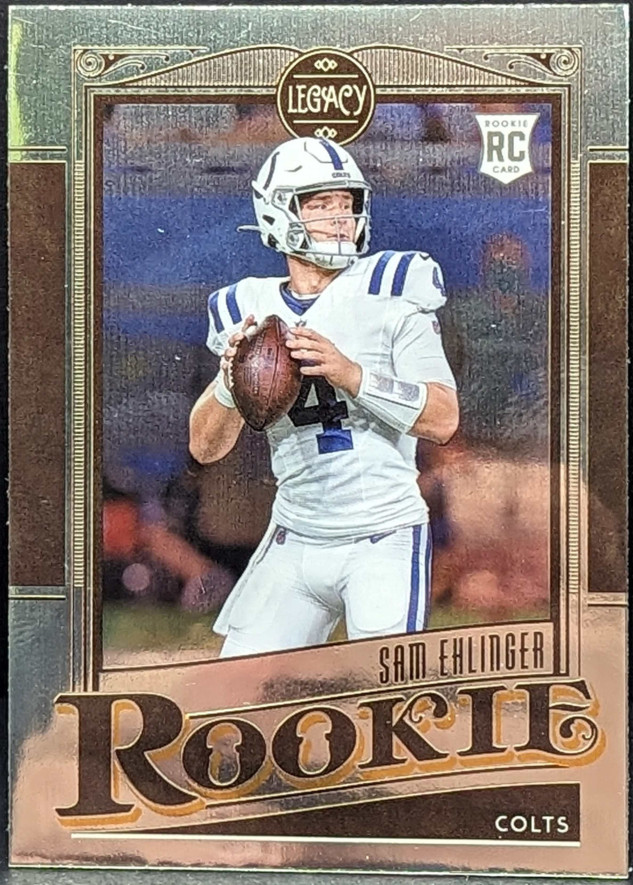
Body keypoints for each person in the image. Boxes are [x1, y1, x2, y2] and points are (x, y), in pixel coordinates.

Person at [189, 136, 459, 658]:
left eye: (347, 203)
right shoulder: (247, 307)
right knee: (232, 698)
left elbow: (444, 419)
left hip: (383, 536)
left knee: (386, 693)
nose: (340, 218)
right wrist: (229, 381)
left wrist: (353, 375)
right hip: (295, 537)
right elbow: (204, 448)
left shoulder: (393, 288)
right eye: (320, 204)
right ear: (278, 211)